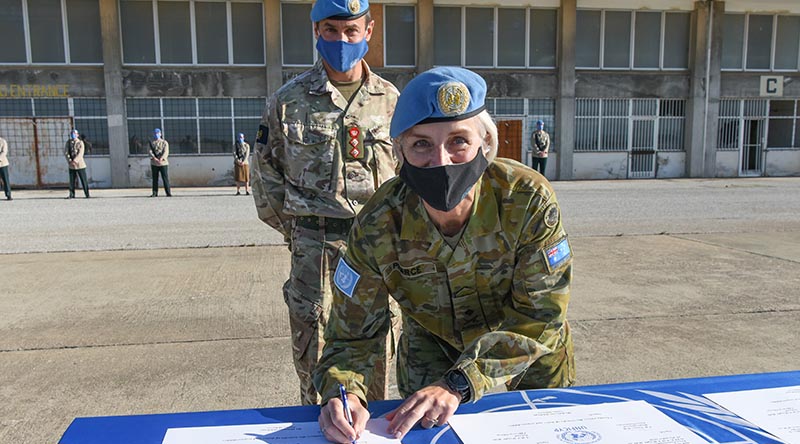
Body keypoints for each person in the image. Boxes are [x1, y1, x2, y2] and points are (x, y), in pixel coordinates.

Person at [314, 67, 575, 443]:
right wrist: (344, 392)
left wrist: (460, 382)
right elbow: (351, 336)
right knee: (421, 432)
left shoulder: (526, 200)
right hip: (432, 343)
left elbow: (541, 316)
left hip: (528, 345)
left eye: (458, 141)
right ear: (399, 150)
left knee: (545, 432)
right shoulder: (378, 223)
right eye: (421, 144)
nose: (441, 160)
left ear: (484, 143)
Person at [251, 0, 401, 405]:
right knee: (314, 346)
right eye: (332, 30)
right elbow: (265, 178)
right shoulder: (288, 100)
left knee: (378, 343)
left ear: (368, 32)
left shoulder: (392, 100)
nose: (342, 40)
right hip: (315, 246)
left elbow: (407, 178)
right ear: (317, 32)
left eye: (351, 31)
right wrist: (300, 231)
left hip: (377, 249)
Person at [65, 129, 90, 199]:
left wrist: (75, 161)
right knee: (72, 181)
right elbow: (66, 152)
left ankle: (87, 194)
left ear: (77, 135)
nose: (73, 135)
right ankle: (71, 194)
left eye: (74, 133)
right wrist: (70, 161)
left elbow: (81, 153)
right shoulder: (68, 142)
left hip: (80, 165)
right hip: (71, 165)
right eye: (72, 133)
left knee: (83, 180)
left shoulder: (80, 143)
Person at [149, 128, 171, 197]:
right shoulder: (152, 143)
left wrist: (162, 158)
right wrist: (154, 158)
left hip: (163, 163)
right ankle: (155, 193)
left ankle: (168, 192)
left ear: (160, 134)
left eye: (158, 133)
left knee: (165, 178)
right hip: (154, 163)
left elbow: (166, 152)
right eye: (155, 133)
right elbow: (150, 151)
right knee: (155, 179)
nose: (156, 135)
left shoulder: (164, 142)